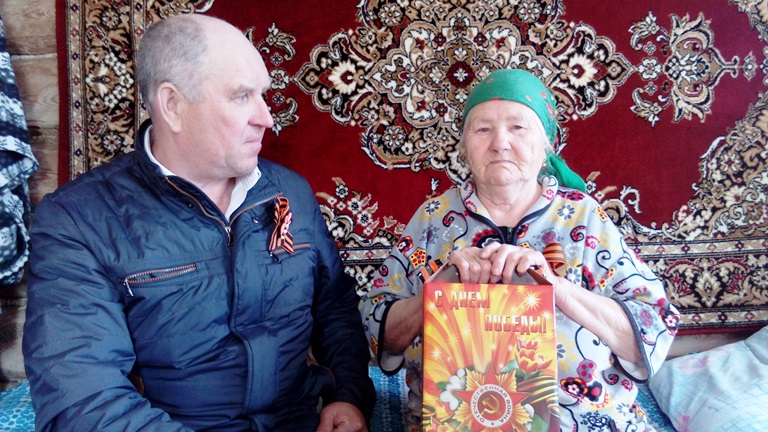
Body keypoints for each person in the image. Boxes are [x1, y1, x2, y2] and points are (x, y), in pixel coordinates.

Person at [22, 14, 375, 432]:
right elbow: (84, 403)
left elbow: (335, 308)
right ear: (173, 106)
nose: (267, 117)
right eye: (242, 96)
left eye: (263, 95)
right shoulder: (78, 221)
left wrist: (348, 396)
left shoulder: (290, 192)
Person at [360, 69, 680, 431]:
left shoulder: (585, 218)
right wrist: (436, 293)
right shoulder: (434, 219)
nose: (500, 143)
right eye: (483, 129)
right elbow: (374, 330)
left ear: (547, 145)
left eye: (518, 127)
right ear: (464, 147)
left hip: (580, 422)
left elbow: (653, 326)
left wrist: (558, 289)